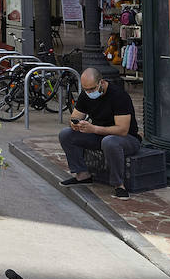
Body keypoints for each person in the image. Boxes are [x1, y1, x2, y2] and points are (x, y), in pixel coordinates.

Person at [59, 68, 142, 199]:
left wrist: (94, 129)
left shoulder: (118, 95)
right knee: (66, 134)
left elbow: (123, 130)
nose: (89, 92)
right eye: (86, 89)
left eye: (92, 89)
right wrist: (75, 124)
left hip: (126, 139)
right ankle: (82, 175)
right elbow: (74, 117)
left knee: (109, 141)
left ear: (101, 82)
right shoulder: (86, 94)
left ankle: (119, 185)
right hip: (99, 135)